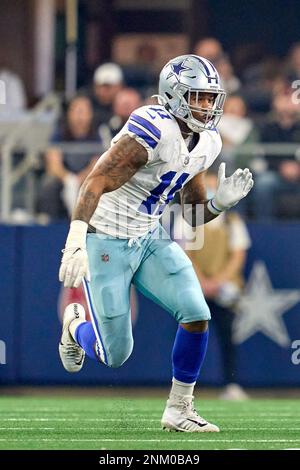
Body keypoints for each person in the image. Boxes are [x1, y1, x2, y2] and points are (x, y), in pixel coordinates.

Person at [58, 54, 254, 432]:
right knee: (115, 355)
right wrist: (76, 238)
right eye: (197, 97)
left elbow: (193, 214)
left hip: (149, 236)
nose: (207, 106)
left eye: (211, 98)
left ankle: (179, 408)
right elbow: (95, 181)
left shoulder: (207, 142)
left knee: (197, 312)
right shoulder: (153, 127)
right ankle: (75, 328)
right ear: (174, 95)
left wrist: (219, 203)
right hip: (106, 238)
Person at [184, 170, 251, 400]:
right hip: (195, 287)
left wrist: (218, 281)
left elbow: (237, 256)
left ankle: (231, 384)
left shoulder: (232, 222)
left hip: (224, 290)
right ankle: (184, 386)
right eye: (208, 188)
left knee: (227, 335)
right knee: (189, 336)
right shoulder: (189, 219)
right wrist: (201, 281)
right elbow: (185, 254)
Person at [37, 95, 101, 221]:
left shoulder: (97, 133)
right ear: (69, 114)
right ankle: (49, 222)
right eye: (76, 111)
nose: (79, 117)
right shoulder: (59, 132)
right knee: (49, 184)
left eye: (83, 112)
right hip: (63, 177)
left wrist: (81, 179)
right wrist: (69, 179)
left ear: (90, 114)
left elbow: (98, 163)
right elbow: (53, 164)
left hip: (87, 176)